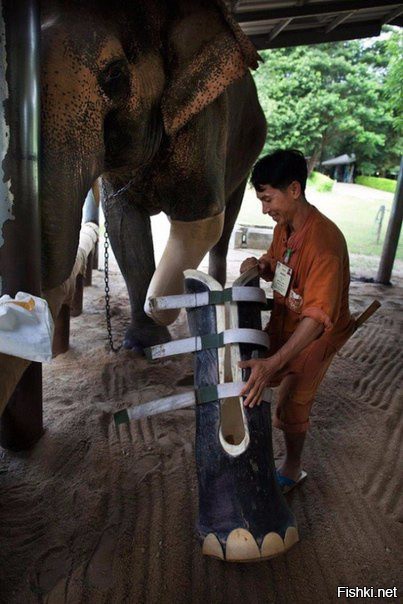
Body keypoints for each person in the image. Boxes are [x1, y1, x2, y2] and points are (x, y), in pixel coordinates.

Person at [239, 149, 355, 492]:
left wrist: (276, 361)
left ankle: (292, 467)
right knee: (252, 369)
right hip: (288, 317)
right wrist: (260, 266)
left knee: (290, 403)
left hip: (318, 333)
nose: (264, 208)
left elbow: (318, 320)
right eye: (260, 199)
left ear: (294, 189)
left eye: (267, 198)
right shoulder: (284, 227)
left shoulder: (325, 245)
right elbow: (277, 264)